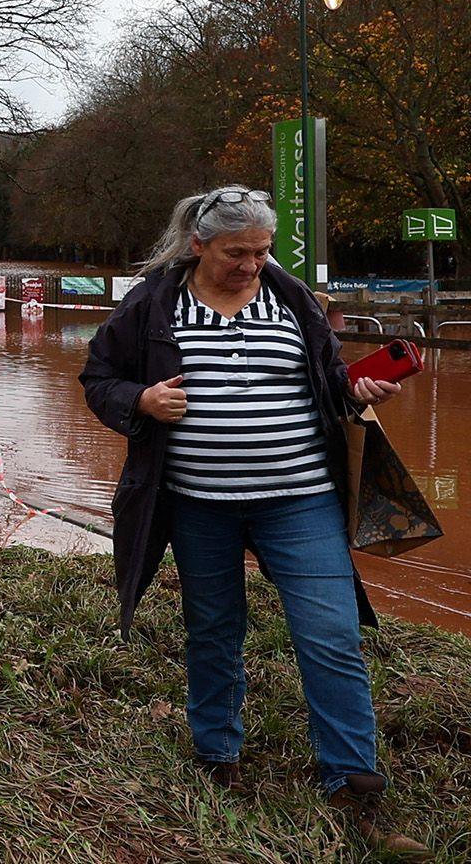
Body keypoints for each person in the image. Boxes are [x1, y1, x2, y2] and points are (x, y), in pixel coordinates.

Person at [80, 185, 428, 858]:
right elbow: (99, 378)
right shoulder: (152, 303)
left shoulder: (291, 298)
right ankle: (218, 755)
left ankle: (353, 780)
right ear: (198, 245)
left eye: (262, 251)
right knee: (213, 626)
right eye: (236, 253)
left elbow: (328, 384)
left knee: (330, 632)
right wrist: (142, 400)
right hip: (196, 503)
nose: (250, 265)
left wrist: (357, 390)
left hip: (301, 499)